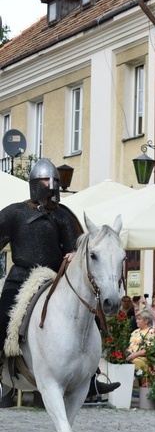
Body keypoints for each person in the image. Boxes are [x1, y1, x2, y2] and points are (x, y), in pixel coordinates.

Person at [0, 159, 119, 397]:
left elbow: (78, 246)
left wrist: (74, 253)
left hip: (56, 278)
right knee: (3, 317)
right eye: (46, 180)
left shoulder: (64, 216)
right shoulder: (15, 213)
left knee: (89, 315)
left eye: (54, 180)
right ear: (35, 183)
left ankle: (92, 375)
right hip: (21, 277)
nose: (51, 184)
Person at [126, 309, 155, 373]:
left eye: (139, 319)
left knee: (126, 363)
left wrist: (135, 355)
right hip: (130, 355)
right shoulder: (135, 331)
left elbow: (149, 349)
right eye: (136, 319)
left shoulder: (151, 332)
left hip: (141, 358)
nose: (136, 321)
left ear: (146, 321)